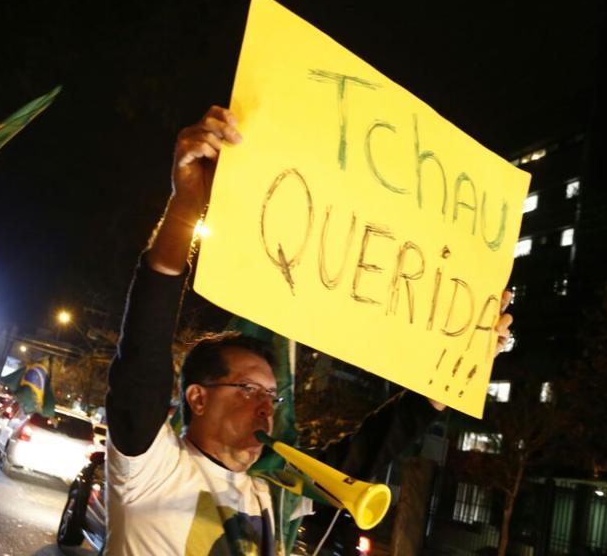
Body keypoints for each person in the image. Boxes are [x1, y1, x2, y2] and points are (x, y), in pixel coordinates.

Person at [104, 107, 514, 554]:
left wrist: (452, 375)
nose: (267, 409)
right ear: (197, 397)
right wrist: (186, 205)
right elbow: (143, 351)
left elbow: (360, 456)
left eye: (271, 395)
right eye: (247, 389)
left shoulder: (267, 490)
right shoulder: (150, 467)